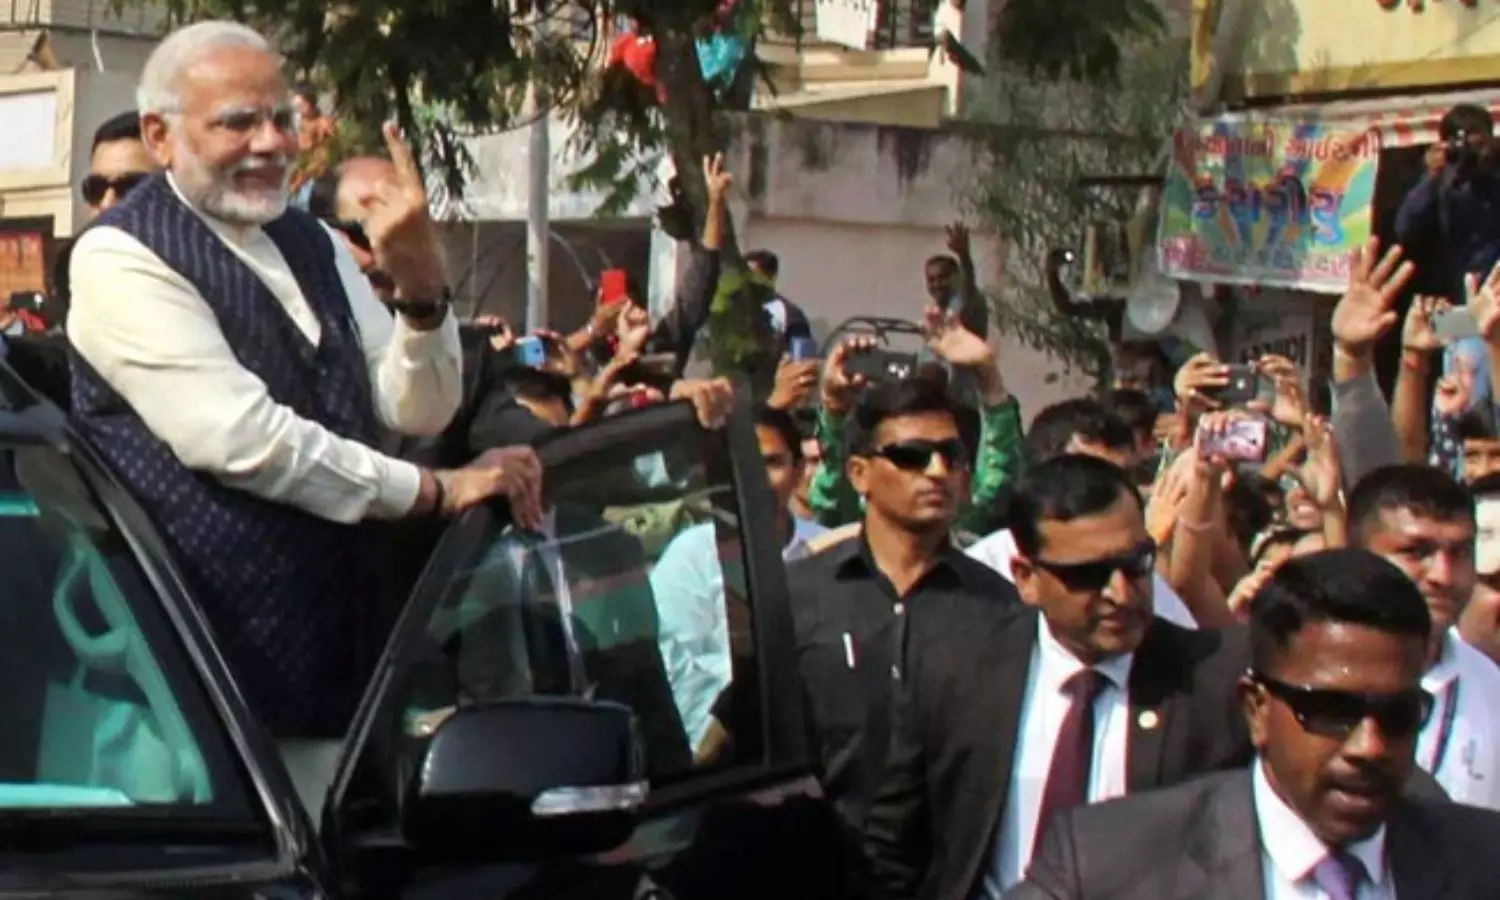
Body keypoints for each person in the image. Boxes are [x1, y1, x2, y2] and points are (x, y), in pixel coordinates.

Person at [65, 21, 541, 746]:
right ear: (161, 136)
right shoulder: (120, 256)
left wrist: (420, 286)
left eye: (282, 119)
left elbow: (416, 408)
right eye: (238, 122)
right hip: (191, 713)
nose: (270, 143)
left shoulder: (311, 241)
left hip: (344, 683)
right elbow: (241, 441)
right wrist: (435, 490)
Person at [1004, 548, 1500, 900]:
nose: (1369, 746)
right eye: (1331, 711)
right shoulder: (1108, 865)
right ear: (1256, 709)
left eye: (1398, 714)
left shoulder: (1482, 860)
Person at [864, 454, 1251, 900]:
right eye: (1088, 575)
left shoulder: (1213, 680)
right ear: (1026, 579)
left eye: (1135, 563)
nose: (1121, 593)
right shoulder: (959, 667)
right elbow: (895, 847)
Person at [789, 374, 1021, 833]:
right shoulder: (799, 595)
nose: (937, 472)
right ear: (860, 474)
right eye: (912, 456)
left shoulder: (1000, 608)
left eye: (951, 456)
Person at [652, 405, 826, 762]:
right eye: (745, 463)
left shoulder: (826, 549)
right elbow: (676, 669)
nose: (757, 478)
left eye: (772, 463)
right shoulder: (691, 555)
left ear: (797, 472)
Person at [967, 398, 1198, 629]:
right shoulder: (978, 575)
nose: (1120, 595)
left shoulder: (1139, 573)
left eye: (1122, 478)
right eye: (1091, 482)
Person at [1346, 464, 1500, 808]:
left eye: (1460, 553)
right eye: (1416, 552)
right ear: (1358, 554)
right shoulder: (1307, 675)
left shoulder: (1489, 685)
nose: (1443, 576)